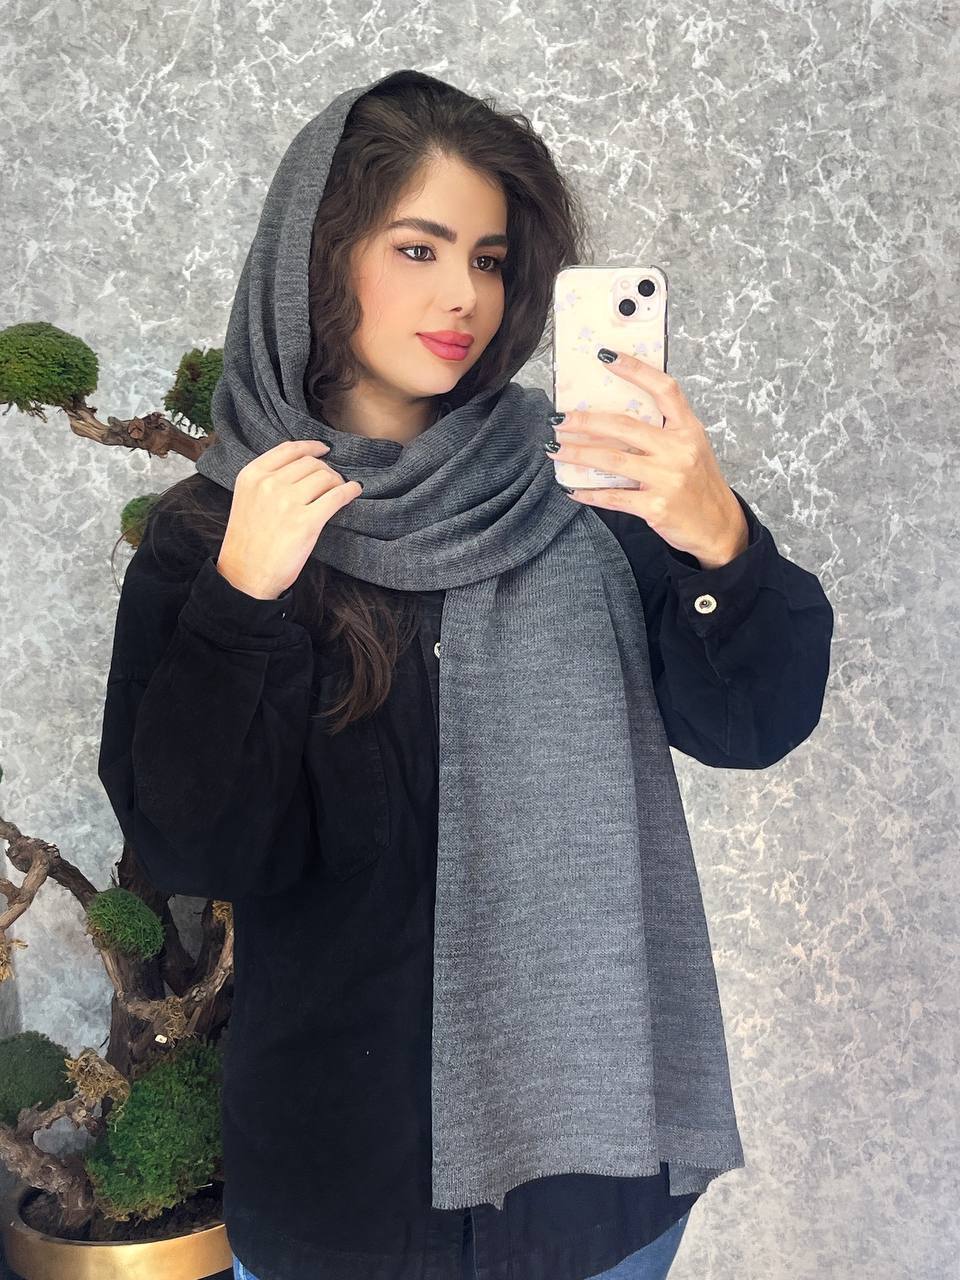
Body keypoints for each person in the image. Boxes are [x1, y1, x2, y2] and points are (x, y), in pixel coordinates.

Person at [98, 68, 834, 1280]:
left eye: (489, 260)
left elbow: (753, 722)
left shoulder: (589, 492)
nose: (465, 297)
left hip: (594, 1190)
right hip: (345, 1196)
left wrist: (721, 542)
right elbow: (196, 850)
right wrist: (243, 601)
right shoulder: (215, 534)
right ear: (318, 256)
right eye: (419, 247)